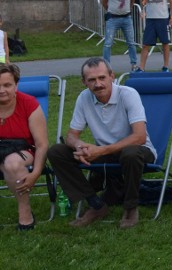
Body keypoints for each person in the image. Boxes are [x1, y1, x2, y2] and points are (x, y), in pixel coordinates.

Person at [47, 58, 156, 229]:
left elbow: (139, 137)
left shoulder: (128, 94)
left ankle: (130, 208)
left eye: (102, 78)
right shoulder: (84, 98)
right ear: (84, 82)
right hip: (104, 153)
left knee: (131, 153)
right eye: (91, 80)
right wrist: (79, 146)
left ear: (112, 76)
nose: (98, 84)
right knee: (56, 152)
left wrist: (101, 150)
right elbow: (70, 136)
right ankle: (96, 204)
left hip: (138, 150)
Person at [0, 63, 49, 230]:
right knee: (7, 162)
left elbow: (42, 144)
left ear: (16, 85)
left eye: (7, 85)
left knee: (12, 163)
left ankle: (25, 210)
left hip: (24, 148)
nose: (2, 90)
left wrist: (35, 173)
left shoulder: (28, 103)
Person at [138, 0, 172, 72]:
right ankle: (141, 67)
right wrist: (143, 10)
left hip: (162, 18)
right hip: (150, 19)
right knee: (146, 44)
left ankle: (166, 66)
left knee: (165, 43)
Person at [101, 0, 139, 71]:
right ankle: (107, 66)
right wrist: (109, 9)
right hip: (112, 19)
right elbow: (104, 1)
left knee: (131, 42)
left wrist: (128, 9)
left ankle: (134, 64)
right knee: (108, 43)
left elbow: (132, 0)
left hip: (127, 18)